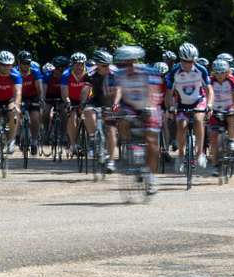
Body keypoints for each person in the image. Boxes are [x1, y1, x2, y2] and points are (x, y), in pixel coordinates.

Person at [110, 45, 161, 195]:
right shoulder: (118, 74)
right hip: (130, 105)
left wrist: (150, 107)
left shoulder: (148, 72)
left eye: (131, 63)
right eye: (124, 64)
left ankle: (151, 177)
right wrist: (115, 103)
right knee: (122, 119)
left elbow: (154, 91)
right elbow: (118, 89)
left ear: (136, 61)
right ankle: (130, 146)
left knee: (152, 142)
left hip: (149, 105)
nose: (128, 66)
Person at [165, 42, 209, 172]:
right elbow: (168, 94)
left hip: (198, 100)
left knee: (198, 120)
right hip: (182, 102)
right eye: (185, 61)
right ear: (180, 59)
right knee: (181, 125)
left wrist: (210, 105)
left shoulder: (201, 70)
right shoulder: (174, 72)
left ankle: (200, 153)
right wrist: (170, 107)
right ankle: (180, 155)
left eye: (191, 61)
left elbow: (209, 90)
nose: (188, 65)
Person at [206, 58, 234, 175]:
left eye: (222, 72)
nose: (220, 75)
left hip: (228, 108)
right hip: (215, 110)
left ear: (227, 72)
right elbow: (205, 94)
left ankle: (231, 140)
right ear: (213, 72)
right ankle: (215, 165)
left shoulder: (232, 80)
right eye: (217, 72)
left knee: (232, 118)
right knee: (213, 139)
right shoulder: (210, 81)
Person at [86, 50, 117, 173]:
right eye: (104, 65)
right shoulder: (90, 72)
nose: (107, 68)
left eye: (109, 64)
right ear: (97, 64)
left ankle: (111, 161)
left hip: (110, 100)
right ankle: (93, 138)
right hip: (95, 99)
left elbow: (119, 90)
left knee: (111, 130)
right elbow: (86, 89)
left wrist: (116, 104)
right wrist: (83, 103)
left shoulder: (115, 73)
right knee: (88, 111)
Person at [61, 52, 91, 157]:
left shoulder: (89, 73)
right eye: (76, 64)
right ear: (72, 64)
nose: (79, 66)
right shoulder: (66, 74)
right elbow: (64, 92)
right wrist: (68, 102)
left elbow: (92, 89)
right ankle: (73, 144)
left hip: (87, 99)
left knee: (88, 115)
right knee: (72, 116)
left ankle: (90, 142)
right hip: (72, 99)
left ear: (84, 64)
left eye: (81, 64)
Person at [16, 50, 44, 153]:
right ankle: (18, 135)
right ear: (19, 62)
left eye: (28, 63)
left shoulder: (35, 72)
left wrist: (41, 99)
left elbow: (39, 88)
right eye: (24, 63)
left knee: (35, 118)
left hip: (33, 97)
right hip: (19, 97)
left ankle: (34, 141)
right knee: (16, 114)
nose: (26, 65)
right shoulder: (14, 72)